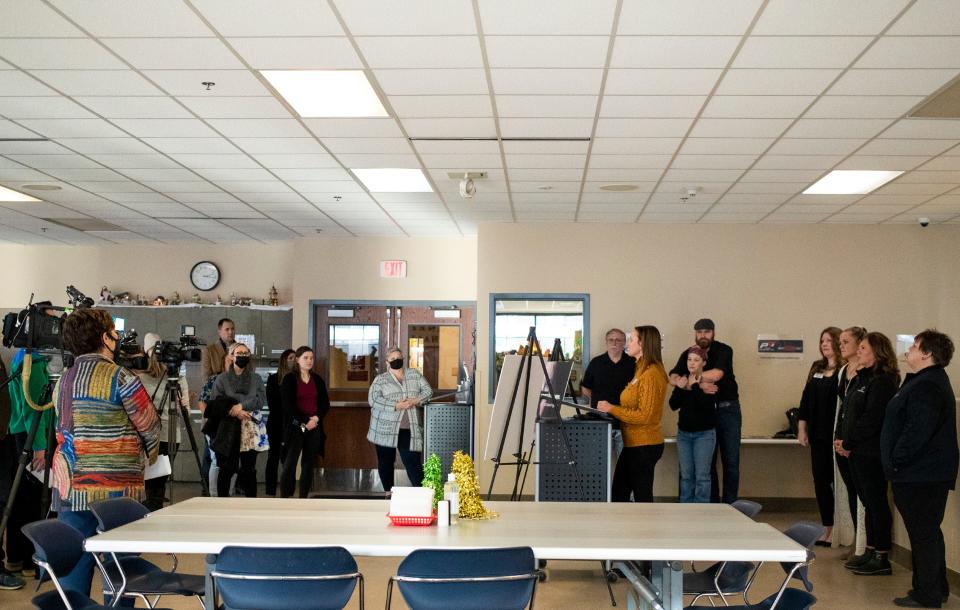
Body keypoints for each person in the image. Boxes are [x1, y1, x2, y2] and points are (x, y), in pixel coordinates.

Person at [52, 307, 161, 598]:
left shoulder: (63, 380)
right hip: (117, 492)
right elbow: (150, 426)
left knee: (73, 572)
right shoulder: (121, 377)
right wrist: (147, 455)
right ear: (106, 338)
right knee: (121, 573)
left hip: (71, 488)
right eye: (114, 332)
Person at [882, 330, 958, 609]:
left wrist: (896, 462)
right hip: (921, 474)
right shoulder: (923, 381)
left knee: (923, 534)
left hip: (921, 475)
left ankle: (927, 593)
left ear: (927, 354)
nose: (908, 351)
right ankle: (935, 587)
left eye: (914, 347)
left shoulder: (928, 385)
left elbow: (917, 432)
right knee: (927, 532)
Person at [835, 331, 899, 577]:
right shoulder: (861, 379)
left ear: (877, 353)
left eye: (863, 349)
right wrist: (842, 440)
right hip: (855, 451)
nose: (858, 352)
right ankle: (870, 550)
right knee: (868, 503)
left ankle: (881, 554)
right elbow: (847, 413)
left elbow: (872, 419)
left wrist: (849, 442)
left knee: (877, 503)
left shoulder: (882, 381)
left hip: (870, 452)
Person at [669, 318, 740, 503]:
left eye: (707, 332)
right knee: (705, 467)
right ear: (695, 333)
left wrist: (692, 379)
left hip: (727, 410)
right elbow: (673, 377)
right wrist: (690, 384)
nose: (703, 335)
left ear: (713, 333)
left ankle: (731, 506)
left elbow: (717, 375)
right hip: (701, 416)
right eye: (699, 332)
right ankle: (712, 505)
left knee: (730, 461)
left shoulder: (724, 350)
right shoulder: (688, 352)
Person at [598, 326, 667, 503]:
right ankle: (626, 529)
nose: (627, 343)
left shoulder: (651, 373)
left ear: (643, 344)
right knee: (620, 494)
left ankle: (646, 530)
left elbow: (645, 416)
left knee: (642, 497)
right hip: (633, 444)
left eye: (631, 339)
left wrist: (611, 408)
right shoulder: (640, 369)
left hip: (644, 445)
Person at [797, 327, 843, 546]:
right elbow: (806, 400)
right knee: (821, 481)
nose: (824, 344)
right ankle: (828, 527)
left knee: (837, 482)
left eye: (828, 340)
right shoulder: (817, 367)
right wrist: (801, 428)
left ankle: (842, 529)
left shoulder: (845, 369)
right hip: (817, 434)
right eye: (822, 340)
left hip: (835, 434)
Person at [134, 332, 189, 511]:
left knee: (150, 485)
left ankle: (149, 515)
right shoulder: (177, 378)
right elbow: (184, 408)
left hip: (153, 436)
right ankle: (154, 514)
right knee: (157, 485)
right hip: (165, 437)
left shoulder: (141, 378)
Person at [205, 343, 267, 498]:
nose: (242, 356)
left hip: (250, 427)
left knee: (249, 469)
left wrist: (240, 406)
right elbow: (215, 403)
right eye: (239, 353)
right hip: (227, 428)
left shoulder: (256, 378)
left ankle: (251, 502)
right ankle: (222, 502)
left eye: (246, 353)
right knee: (226, 468)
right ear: (232, 356)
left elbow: (260, 400)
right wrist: (234, 412)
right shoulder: (222, 379)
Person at [367, 347, 432, 492]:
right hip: (385, 429)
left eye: (399, 357)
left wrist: (416, 400)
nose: (396, 360)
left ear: (403, 358)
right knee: (386, 462)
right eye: (393, 358)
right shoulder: (380, 380)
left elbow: (428, 392)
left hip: (409, 429)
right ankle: (388, 493)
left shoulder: (414, 374)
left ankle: (422, 494)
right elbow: (373, 400)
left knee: (412, 462)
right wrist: (396, 405)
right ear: (387, 362)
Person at [832, 326, 867, 553]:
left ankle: (867, 545)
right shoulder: (843, 370)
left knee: (864, 495)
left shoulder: (868, 373)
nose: (841, 346)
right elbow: (842, 408)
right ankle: (855, 539)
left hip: (860, 443)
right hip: (842, 439)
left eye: (846, 342)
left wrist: (851, 442)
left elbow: (865, 414)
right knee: (850, 490)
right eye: (840, 342)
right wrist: (839, 440)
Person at [280, 346, 330, 498]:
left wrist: (315, 418)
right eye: (305, 358)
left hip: (313, 426)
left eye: (311, 358)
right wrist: (305, 420)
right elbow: (288, 406)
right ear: (297, 360)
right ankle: (286, 497)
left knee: (308, 464)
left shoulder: (317, 379)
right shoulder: (289, 379)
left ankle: (304, 496)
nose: (309, 361)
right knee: (290, 463)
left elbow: (324, 404)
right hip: (296, 426)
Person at [668, 345, 716, 503]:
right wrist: (681, 388)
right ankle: (685, 507)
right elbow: (673, 405)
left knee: (702, 476)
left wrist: (695, 386)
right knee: (686, 476)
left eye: (696, 360)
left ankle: (702, 510)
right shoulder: (682, 380)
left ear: (704, 363)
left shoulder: (707, 383)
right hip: (684, 434)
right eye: (689, 359)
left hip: (704, 435)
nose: (692, 363)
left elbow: (705, 406)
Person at [580, 328, 635, 459]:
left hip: (625, 425)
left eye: (618, 340)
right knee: (599, 465)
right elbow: (585, 388)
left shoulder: (633, 363)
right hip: (600, 424)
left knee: (625, 467)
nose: (614, 343)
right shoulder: (596, 363)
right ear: (606, 342)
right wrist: (597, 400)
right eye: (611, 340)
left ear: (624, 343)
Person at [264, 349, 295, 496]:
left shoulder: (297, 380)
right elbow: (273, 405)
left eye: (295, 358)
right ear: (284, 360)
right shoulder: (273, 379)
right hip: (276, 424)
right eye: (290, 358)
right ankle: (270, 491)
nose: (293, 361)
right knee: (273, 458)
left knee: (289, 460)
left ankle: (288, 490)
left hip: (291, 424)